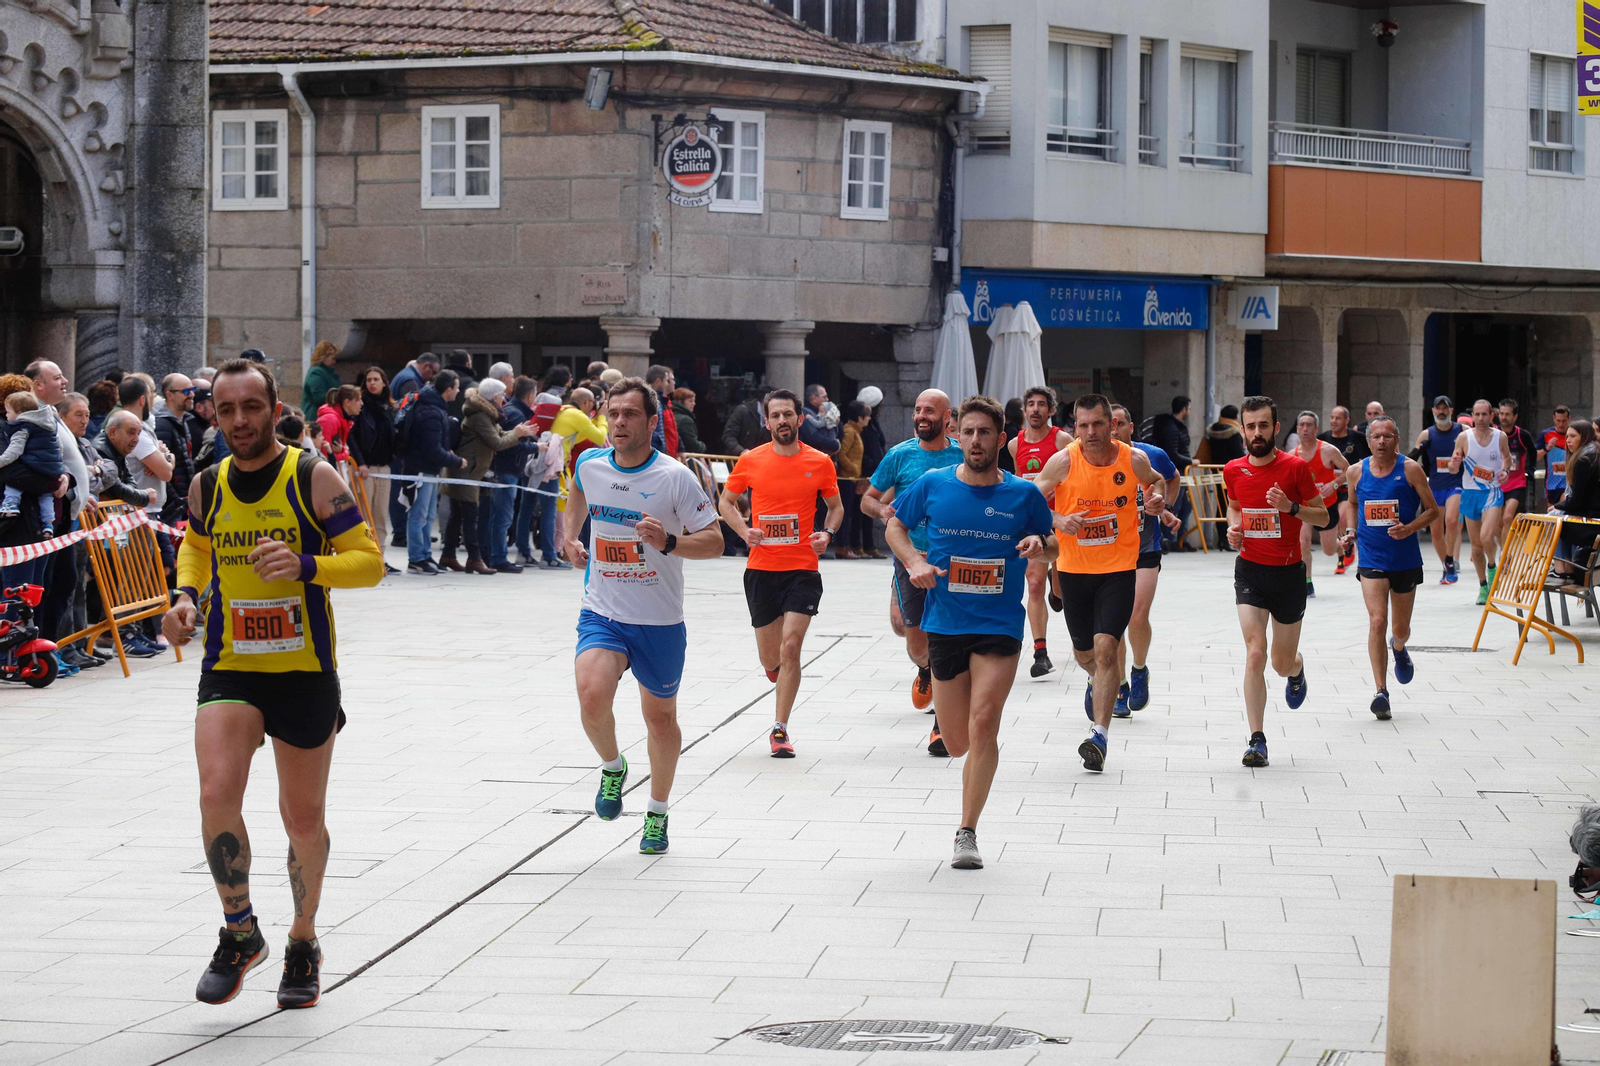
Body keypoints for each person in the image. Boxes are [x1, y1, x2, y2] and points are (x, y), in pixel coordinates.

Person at [162, 357, 383, 1010]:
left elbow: (369, 563)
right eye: (224, 409)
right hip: (231, 664)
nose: (237, 421)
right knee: (215, 791)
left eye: (250, 408)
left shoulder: (311, 477)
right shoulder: (207, 484)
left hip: (303, 671)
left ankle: (303, 940)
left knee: (302, 817)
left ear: (273, 408)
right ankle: (240, 931)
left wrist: (307, 564)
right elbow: (197, 547)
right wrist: (184, 597)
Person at [885, 396, 1054, 869]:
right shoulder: (932, 484)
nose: (976, 441)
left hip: (999, 624)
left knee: (984, 723)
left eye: (986, 433)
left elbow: (1055, 544)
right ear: (957, 436)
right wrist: (915, 561)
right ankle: (956, 744)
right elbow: (895, 525)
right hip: (945, 623)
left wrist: (1042, 543)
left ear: (1002, 440)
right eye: (969, 433)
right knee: (957, 740)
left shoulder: (1023, 494)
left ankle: (967, 831)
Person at [564, 379, 723, 854]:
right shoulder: (590, 463)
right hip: (603, 610)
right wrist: (571, 536)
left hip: (659, 621)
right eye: (613, 413)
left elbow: (714, 542)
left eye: (630, 414)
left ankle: (657, 812)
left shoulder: (674, 477)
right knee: (592, 697)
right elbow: (577, 494)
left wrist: (669, 542)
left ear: (652, 423)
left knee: (660, 720)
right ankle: (614, 768)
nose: (618, 422)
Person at [1033, 395, 1168, 772]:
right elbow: (1028, 498)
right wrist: (1058, 520)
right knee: (1085, 656)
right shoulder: (1063, 462)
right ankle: (1098, 681)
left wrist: (1156, 499)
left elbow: (1157, 482)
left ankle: (1100, 735)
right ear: (1075, 427)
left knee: (1107, 648)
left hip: (1120, 569)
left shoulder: (1132, 458)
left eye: (1098, 424)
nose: (1091, 432)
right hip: (1074, 571)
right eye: (1083, 425)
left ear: (1112, 425)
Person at [718, 390, 843, 758]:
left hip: (803, 568)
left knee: (792, 647)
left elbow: (834, 508)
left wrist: (828, 533)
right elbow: (725, 502)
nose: (783, 421)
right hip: (761, 570)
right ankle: (777, 672)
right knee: (771, 658)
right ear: (768, 421)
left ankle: (780, 728)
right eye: (776, 415)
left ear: (800, 419)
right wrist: (744, 531)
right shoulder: (751, 460)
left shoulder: (820, 461)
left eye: (789, 414)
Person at [1223, 396, 1328, 769]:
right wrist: (1234, 530)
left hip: (1287, 574)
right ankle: (1257, 740)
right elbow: (1235, 505)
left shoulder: (1296, 468)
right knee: (1255, 652)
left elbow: (1325, 515)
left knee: (1280, 662)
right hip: (1250, 570)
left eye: (1263, 425)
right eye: (1250, 426)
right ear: (1242, 429)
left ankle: (1296, 670)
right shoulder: (1233, 469)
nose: (1256, 433)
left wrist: (1291, 508)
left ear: (1276, 428)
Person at [860, 389, 960, 747]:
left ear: (947, 417)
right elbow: (868, 500)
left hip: (952, 561)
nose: (921, 416)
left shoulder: (963, 456)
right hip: (909, 556)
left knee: (948, 635)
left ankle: (943, 717)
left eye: (929, 411)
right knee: (913, 637)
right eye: (918, 409)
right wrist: (884, 511)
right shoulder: (899, 455)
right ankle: (925, 669)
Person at [1338, 415, 1439, 720]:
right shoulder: (1355, 472)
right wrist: (1352, 532)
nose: (1381, 441)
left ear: (1397, 439)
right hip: (1371, 556)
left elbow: (1433, 510)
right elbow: (1353, 505)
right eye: (1376, 436)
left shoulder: (1410, 469)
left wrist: (1409, 528)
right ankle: (1381, 691)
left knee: (1400, 628)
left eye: (1388, 436)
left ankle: (1399, 647)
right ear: (1367, 441)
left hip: (1405, 558)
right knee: (1377, 620)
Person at [1109, 404, 1180, 716]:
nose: (1113, 430)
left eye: (1119, 424)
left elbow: (1172, 478)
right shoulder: (1093, 459)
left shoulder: (1150, 456)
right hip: (1109, 553)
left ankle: (1139, 669)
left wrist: (1165, 507)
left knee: (1137, 614)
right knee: (1115, 622)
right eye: (1107, 424)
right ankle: (1121, 685)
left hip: (1145, 548)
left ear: (1131, 427)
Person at [1007, 385, 1071, 679]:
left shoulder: (1062, 439)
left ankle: (1056, 591)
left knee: (1059, 592)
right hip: (1032, 525)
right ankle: (1040, 653)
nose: (1035, 409)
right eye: (1030, 404)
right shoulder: (1013, 443)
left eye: (1041, 404)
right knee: (1033, 585)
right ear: (1024, 410)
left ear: (1051, 410)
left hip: (1062, 522)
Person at [449, 378, 537, 575]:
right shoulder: (481, 415)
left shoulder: (488, 413)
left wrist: (518, 433)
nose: (505, 398)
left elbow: (501, 435)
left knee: (464, 516)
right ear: (495, 397)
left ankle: (457, 556)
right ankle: (480, 558)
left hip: (477, 470)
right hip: (471, 470)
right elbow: (497, 442)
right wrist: (518, 434)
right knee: (475, 516)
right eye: (502, 395)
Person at [402, 369, 468, 575]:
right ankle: (416, 558)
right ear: (448, 390)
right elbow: (432, 449)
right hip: (420, 470)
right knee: (419, 515)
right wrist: (456, 461)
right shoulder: (430, 412)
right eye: (456, 388)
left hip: (428, 469)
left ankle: (424, 555)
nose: (458, 392)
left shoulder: (433, 407)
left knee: (428, 515)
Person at [1447, 399, 1512, 606]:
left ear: (1491, 416)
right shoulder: (1463, 437)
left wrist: (1505, 471)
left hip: (1492, 492)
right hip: (1470, 494)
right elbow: (1452, 467)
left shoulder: (1500, 437)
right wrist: (1454, 464)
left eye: (1485, 414)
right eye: (1477, 415)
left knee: (1486, 537)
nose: (1481, 419)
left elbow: (1507, 458)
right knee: (1475, 547)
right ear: (1472, 416)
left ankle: (1493, 567)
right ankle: (1483, 585)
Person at [1292, 411, 1348, 597]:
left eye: (1309, 425)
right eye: (1302, 425)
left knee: (1329, 550)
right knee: (1303, 541)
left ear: (1316, 429)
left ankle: (1340, 548)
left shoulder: (1328, 450)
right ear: (1298, 428)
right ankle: (1307, 582)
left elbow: (1349, 470)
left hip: (1326, 506)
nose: (1305, 429)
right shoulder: (1292, 455)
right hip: (1305, 507)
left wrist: (1334, 484)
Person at [552, 387, 608, 567]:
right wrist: (602, 417)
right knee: (555, 513)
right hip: (555, 469)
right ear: (586, 403)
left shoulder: (564, 411)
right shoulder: (577, 415)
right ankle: (552, 553)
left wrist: (592, 419)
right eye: (592, 403)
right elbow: (599, 438)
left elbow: (581, 435)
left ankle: (546, 553)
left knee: (536, 510)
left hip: (554, 465)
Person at [1416, 395, 1466, 583]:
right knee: (1436, 532)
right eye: (1438, 408)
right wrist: (1421, 449)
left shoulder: (1462, 431)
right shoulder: (1426, 434)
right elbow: (1413, 460)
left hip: (1456, 484)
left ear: (1452, 411)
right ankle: (1447, 565)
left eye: (1445, 408)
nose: (1442, 412)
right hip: (1434, 486)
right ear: (1433, 411)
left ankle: (1451, 558)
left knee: (1452, 520)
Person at [349, 367, 396, 564]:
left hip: (384, 467)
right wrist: (361, 462)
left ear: (384, 382)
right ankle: (364, 558)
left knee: (380, 515)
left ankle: (379, 558)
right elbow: (352, 437)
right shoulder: (361, 406)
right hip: (364, 469)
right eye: (369, 380)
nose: (372, 383)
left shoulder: (389, 407)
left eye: (376, 379)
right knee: (363, 517)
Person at [0, 392, 65, 527]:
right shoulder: (48, 424)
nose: (6, 416)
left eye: (8, 412)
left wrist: (1, 461)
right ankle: (48, 522)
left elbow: (14, 451)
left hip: (34, 465)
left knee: (15, 481)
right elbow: (59, 446)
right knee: (46, 494)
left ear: (19, 413)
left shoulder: (23, 427)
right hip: (53, 469)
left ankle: (10, 504)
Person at [1318, 405, 1368, 573]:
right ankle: (1343, 551)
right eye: (1332, 417)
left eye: (1338, 418)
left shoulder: (1357, 438)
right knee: (1331, 540)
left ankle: (1349, 545)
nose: (1333, 421)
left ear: (1347, 421)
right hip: (1327, 489)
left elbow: (1367, 460)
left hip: (1348, 486)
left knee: (1342, 516)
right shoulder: (1323, 439)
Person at [1149, 396, 1194, 549]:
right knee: (1175, 506)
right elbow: (1172, 453)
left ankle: (1181, 540)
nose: (1189, 411)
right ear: (1184, 409)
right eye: (1189, 408)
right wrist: (1191, 461)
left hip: (1177, 472)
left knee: (1185, 507)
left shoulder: (1174, 426)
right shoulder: (1172, 428)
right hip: (1174, 471)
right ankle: (1170, 539)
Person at [155, 374, 197, 525]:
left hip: (183, 503)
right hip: (172, 508)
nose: (192, 395)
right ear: (169, 395)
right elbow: (159, 469)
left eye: (193, 389)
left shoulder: (183, 420)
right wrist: (177, 500)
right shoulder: (162, 424)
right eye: (186, 391)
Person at [1497, 397, 1537, 540]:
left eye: (1507, 414)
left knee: (1508, 517)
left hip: (1516, 482)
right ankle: (1503, 551)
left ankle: (1505, 555)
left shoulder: (1522, 435)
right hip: (1497, 483)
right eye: (1501, 413)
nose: (1503, 417)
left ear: (1515, 417)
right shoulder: (1493, 433)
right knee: (1498, 523)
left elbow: (1533, 452)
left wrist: (1530, 470)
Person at [837, 400, 871, 559]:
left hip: (852, 479)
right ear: (859, 417)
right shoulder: (850, 432)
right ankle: (842, 547)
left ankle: (846, 546)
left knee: (849, 513)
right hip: (846, 479)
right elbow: (841, 454)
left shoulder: (856, 431)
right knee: (845, 513)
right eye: (867, 415)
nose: (869, 418)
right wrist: (853, 469)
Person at [857, 386, 888, 557]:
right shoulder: (862, 427)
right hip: (864, 473)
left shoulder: (873, 423)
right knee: (860, 511)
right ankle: (858, 545)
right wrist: (869, 463)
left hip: (875, 472)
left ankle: (868, 545)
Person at [1539, 405, 1573, 513]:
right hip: (1552, 483)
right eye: (1558, 421)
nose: (1561, 424)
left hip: (1569, 482)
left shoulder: (1573, 434)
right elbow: (1534, 456)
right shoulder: (1545, 435)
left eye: (1564, 421)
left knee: (1564, 510)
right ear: (1554, 418)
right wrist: (1547, 448)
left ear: (1569, 419)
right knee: (1552, 514)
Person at [316, 385, 360, 465]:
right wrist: (345, 453)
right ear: (347, 402)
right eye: (358, 400)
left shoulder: (344, 419)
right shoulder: (330, 419)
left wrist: (342, 450)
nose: (361, 403)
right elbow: (323, 455)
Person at [300, 340, 342, 420]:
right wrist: (341, 396)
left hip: (326, 416)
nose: (334, 361)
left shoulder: (328, 373)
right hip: (315, 417)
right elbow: (319, 397)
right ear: (324, 357)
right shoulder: (316, 372)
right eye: (332, 358)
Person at [644, 366, 680, 458]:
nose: (668, 384)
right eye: (666, 381)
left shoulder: (662, 401)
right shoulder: (650, 400)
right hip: (654, 453)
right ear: (658, 381)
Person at [722, 390, 772, 455]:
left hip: (760, 459)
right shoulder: (743, 411)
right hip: (736, 458)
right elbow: (728, 436)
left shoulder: (774, 418)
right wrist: (740, 451)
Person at [801, 384, 841, 455]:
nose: (827, 399)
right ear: (814, 398)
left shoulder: (825, 412)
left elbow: (839, 432)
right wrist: (835, 444)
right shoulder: (805, 414)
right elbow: (813, 437)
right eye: (824, 397)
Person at [671, 387, 704, 455]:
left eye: (694, 401)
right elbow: (693, 445)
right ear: (680, 401)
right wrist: (702, 446)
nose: (694, 404)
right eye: (690, 401)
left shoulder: (671, 414)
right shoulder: (686, 420)